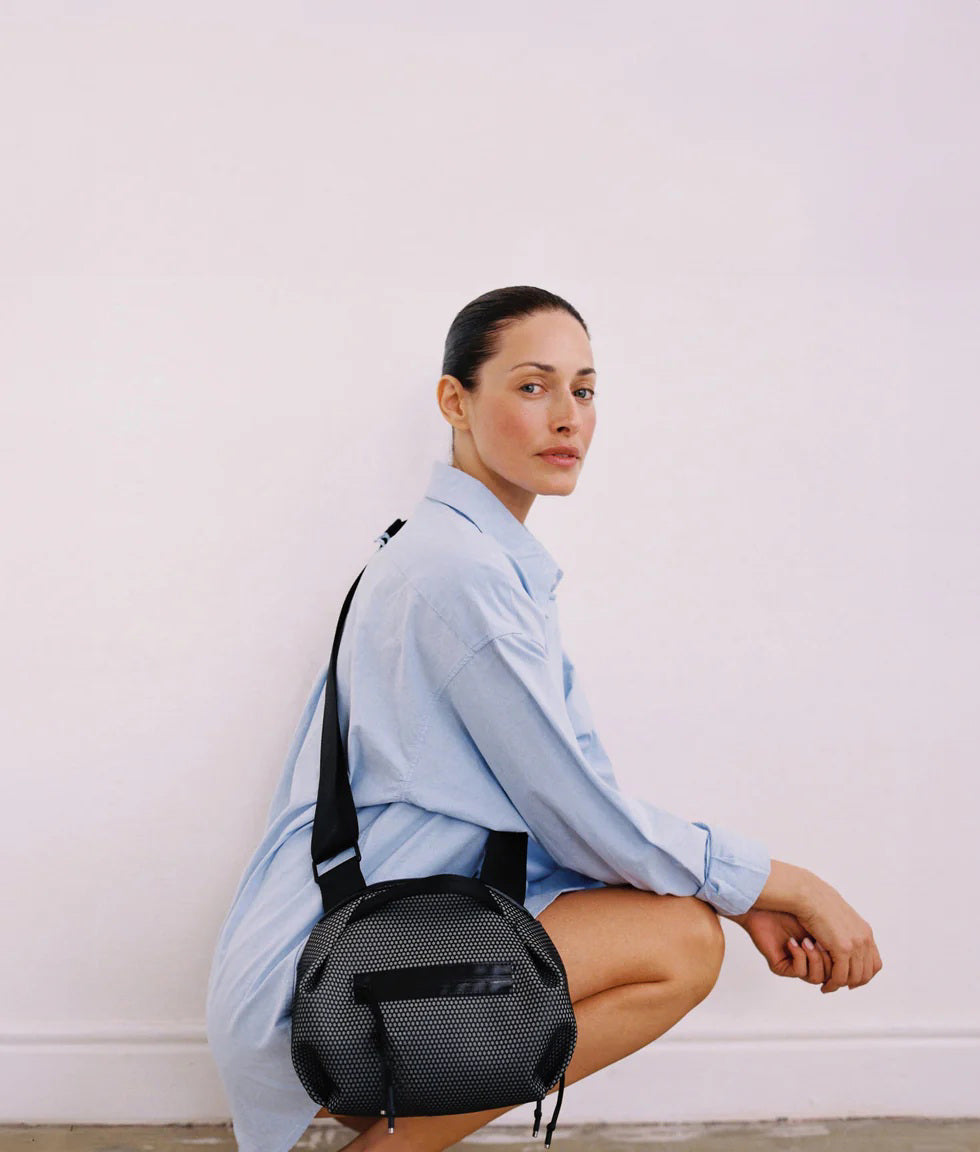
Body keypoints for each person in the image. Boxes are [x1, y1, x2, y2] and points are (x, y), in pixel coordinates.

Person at [206, 286, 882, 1152]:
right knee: (679, 941)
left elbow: (572, 815)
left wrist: (734, 892)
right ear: (456, 401)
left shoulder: (459, 554)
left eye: (585, 390)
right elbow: (582, 816)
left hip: (357, 956)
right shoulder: (459, 575)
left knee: (678, 918)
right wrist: (779, 883)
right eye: (532, 387)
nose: (567, 417)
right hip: (326, 983)